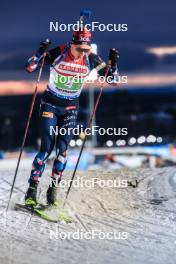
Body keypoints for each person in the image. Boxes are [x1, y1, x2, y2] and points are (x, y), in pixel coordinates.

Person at [25, 27, 118, 207]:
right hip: (50, 104)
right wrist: (39, 53)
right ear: (72, 44)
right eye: (79, 49)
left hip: (70, 107)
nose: (82, 52)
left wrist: (113, 66)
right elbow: (30, 68)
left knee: (63, 151)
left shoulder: (90, 58)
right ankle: (31, 191)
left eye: (85, 49)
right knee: (46, 148)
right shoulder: (59, 52)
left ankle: (52, 193)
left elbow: (113, 81)